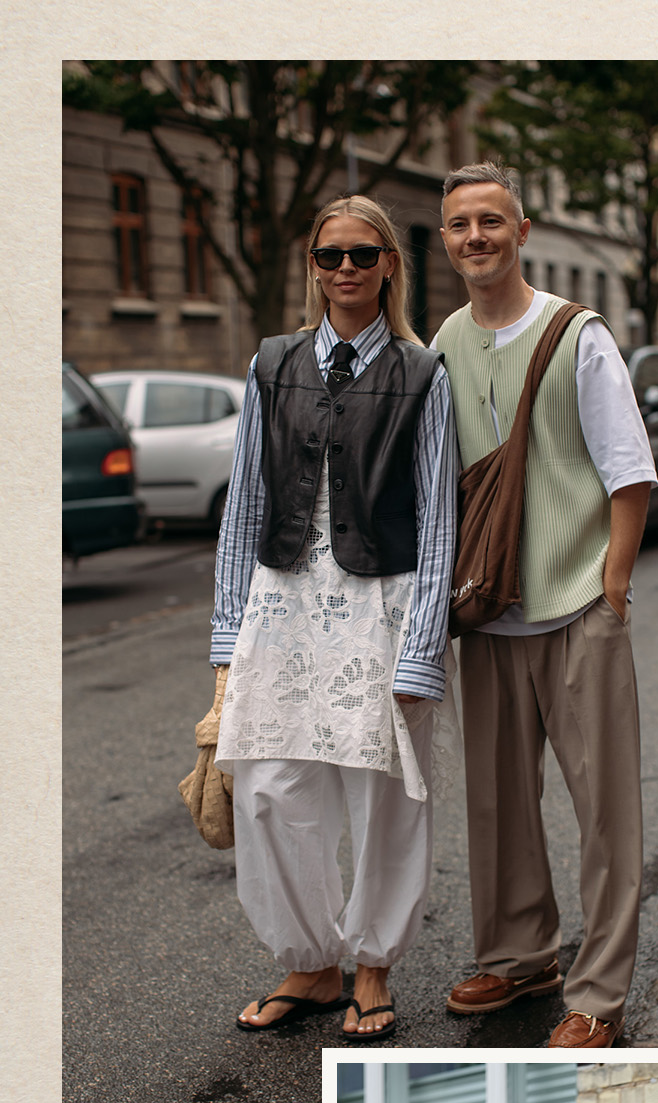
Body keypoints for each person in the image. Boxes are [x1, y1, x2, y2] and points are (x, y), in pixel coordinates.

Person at [211, 194, 456, 1041]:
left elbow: (438, 523)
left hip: (382, 605)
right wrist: (224, 638)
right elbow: (244, 504)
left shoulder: (425, 374)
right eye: (329, 256)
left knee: (383, 793)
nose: (345, 269)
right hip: (281, 604)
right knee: (272, 789)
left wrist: (422, 650)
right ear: (311, 267)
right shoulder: (272, 363)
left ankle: (373, 966)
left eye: (362, 254)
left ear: (390, 263)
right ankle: (311, 964)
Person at [432, 163, 657, 1051]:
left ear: (522, 231)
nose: (475, 238)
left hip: (575, 602)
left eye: (491, 221)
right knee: (495, 802)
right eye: (458, 225)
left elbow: (629, 470)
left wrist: (612, 587)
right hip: (487, 608)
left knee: (605, 810)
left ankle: (598, 992)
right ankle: (521, 953)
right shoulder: (445, 340)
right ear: (444, 240)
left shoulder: (578, 335)